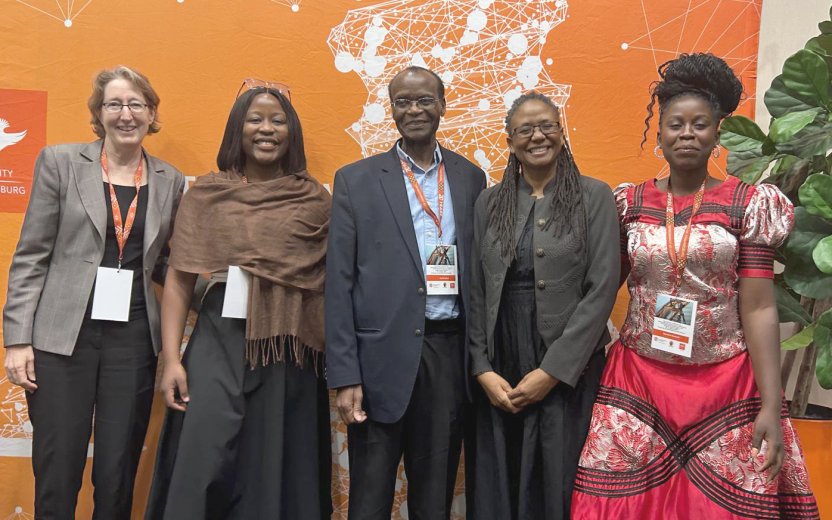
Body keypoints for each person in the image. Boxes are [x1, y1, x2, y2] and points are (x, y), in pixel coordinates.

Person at [571, 53, 819, 518]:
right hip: (637, 378)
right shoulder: (629, 203)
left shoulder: (748, 204)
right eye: (675, 124)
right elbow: (600, 289)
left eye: (699, 124)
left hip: (725, 381)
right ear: (659, 133)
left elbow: (761, 308)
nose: (687, 134)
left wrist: (771, 404)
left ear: (717, 132)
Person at [2, 66, 185, 519]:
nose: (126, 114)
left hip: (133, 340)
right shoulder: (60, 163)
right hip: (62, 340)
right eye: (114, 104)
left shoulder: (171, 179)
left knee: (118, 469)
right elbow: (31, 255)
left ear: (151, 113)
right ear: (98, 113)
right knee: (58, 466)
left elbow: (167, 262)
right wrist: (18, 339)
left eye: (135, 104)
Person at [145, 81, 332, 519]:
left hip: (289, 348)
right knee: (203, 456)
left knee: (276, 463)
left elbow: (330, 282)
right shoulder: (207, 194)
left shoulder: (314, 199)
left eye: (277, 120)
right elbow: (179, 279)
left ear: (292, 132)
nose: (266, 129)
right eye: (255, 119)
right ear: (237, 129)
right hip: (219, 339)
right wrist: (172, 360)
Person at [325, 65, 486, 519]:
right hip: (377, 363)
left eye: (424, 100)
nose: (414, 110)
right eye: (403, 101)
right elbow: (339, 282)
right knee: (370, 498)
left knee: (434, 496)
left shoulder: (470, 178)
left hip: (446, 354)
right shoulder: (355, 180)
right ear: (390, 109)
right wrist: (345, 375)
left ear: (442, 105)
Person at [467, 91, 619, 520]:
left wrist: (553, 372)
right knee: (500, 474)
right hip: (501, 358)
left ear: (561, 130)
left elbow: (602, 289)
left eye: (547, 126)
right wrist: (481, 368)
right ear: (510, 139)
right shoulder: (489, 202)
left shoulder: (594, 196)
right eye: (525, 129)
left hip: (566, 364)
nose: (538, 136)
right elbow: (476, 289)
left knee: (559, 475)